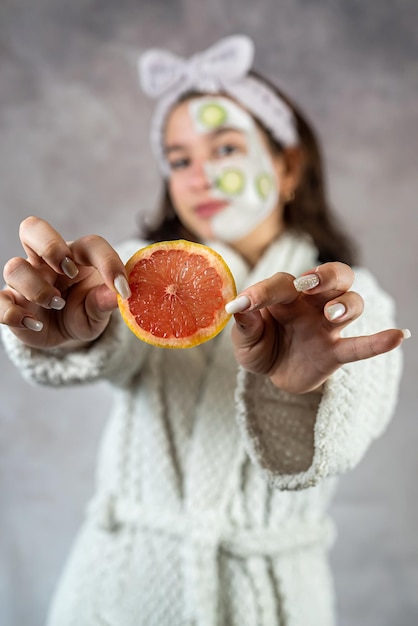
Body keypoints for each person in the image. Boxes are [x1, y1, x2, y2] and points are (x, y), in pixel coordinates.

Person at [0, 35, 410, 626]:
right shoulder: (135, 273)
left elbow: (345, 432)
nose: (199, 176)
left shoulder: (353, 301)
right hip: (116, 594)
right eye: (179, 159)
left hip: (267, 604)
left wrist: (298, 389)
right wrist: (71, 326)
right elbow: (113, 341)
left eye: (224, 147)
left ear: (287, 165)